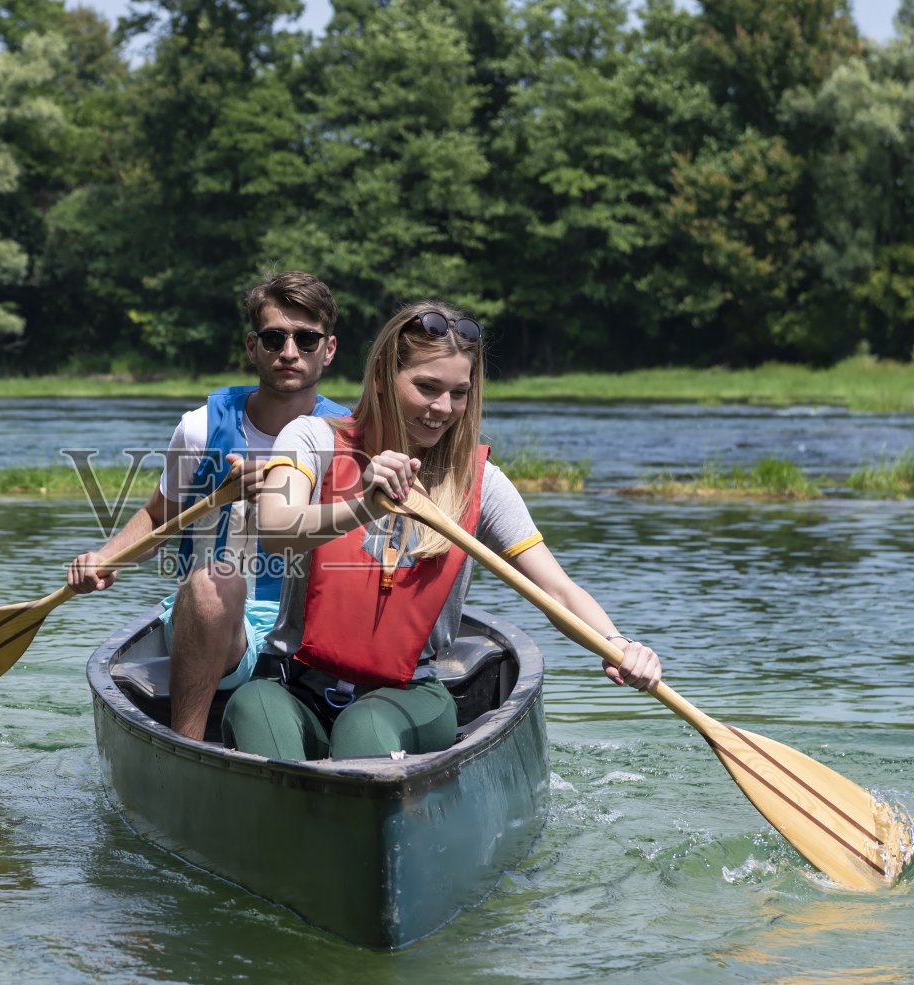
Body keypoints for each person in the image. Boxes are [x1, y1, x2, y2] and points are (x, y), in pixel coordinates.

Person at [222, 300, 662, 760]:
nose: (443, 408)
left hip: (409, 695)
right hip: (293, 683)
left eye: (459, 392)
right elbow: (274, 529)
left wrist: (618, 644)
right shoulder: (310, 438)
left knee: (365, 728)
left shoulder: (481, 482)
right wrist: (364, 505)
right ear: (381, 379)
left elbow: (557, 589)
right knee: (254, 707)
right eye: (427, 387)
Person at [66, 272, 350, 741]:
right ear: (252, 346)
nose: (290, 351)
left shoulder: (350, 436)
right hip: (216, 619)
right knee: (212, 581)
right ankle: (187, 750)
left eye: (306, 338)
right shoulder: (200, 429)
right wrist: (105, 558)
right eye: (275, 337)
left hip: (309, 627)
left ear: (330, 348)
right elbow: (158, 516)